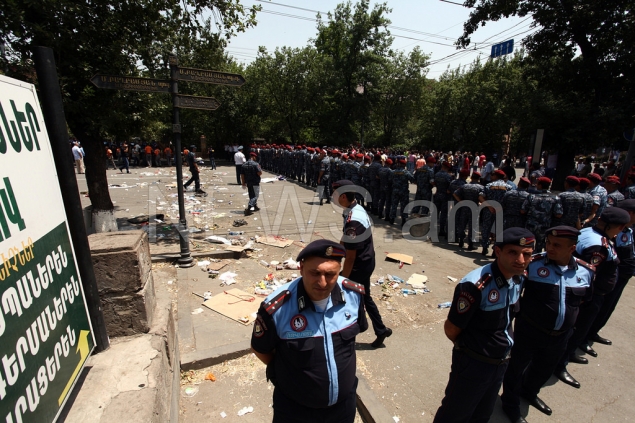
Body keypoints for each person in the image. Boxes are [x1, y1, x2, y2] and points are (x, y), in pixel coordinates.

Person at [251, 239, 368, 423]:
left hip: (342, 408)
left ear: (340, 271)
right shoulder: (277, 308)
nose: (322, 282)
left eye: (330, 274)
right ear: (301, 268)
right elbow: (261, 349)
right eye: (315, 273)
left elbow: (353, 339)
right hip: (295, 411)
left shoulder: (354, 295)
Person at [433, 228, 536, 423]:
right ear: (498, 252)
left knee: (482, 414)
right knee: (455, 413)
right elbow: (452, 329)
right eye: (513, 252)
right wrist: (472, 349)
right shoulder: (476, 285)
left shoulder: (517, 277)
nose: (521, 260)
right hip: (475, 364)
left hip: (500, 362)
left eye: (527, 254)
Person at [501, 226, 594, 422]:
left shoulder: (585, 271)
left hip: (561, 335)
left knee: (544, 368)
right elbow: (513, 295)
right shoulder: (532, 265)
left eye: (557, 245)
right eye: (549, 243)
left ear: (572, 248)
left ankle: (530, 393)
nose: (550, 248)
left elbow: (584, 301)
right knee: (516, 369)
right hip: (530, 330)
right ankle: (510, 404)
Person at [554, 207, 630, 389]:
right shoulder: (598, 245)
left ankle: (568, 354)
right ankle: (560, 364)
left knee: (575, 330)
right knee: (576, 330)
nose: (621, 231)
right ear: (612, 226)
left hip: (590, 295)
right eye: (620, 227)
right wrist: (585, 299)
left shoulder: (589, 232)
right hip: (588, 296)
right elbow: (588, 274)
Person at [333, 180, 392, 348]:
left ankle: (352, 331)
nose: (332, 196)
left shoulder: (354, 220)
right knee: (365, 296)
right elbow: (346, 238)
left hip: (359, 264)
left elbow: (351, 256)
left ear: (343, 196)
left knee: (348, 297)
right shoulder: (353, 209)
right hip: (367, 260)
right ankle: (381, 330)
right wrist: (337, 251)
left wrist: (343, 277)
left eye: (334, 193)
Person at [586, 199, 635, 347]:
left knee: (608, 307)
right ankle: (583, 339)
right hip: (613, 275)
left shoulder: (629, 230)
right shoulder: (614, 232)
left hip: (623, 276)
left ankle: (592, 333)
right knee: (598, 308)